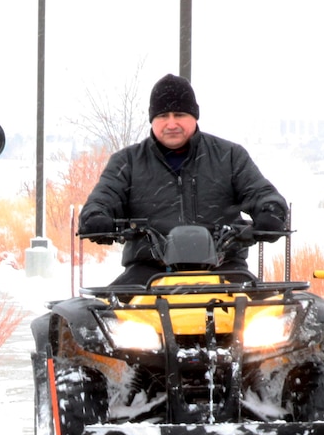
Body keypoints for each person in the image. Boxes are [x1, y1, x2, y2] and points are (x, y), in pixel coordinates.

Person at [76, 73, 288, 285]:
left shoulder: (230, 156)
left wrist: (271, 212)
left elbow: (261, 193)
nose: (171, 124)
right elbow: (103, 198)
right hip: (147, 273)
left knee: (271, 313)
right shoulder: (127, 162)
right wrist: (95, 218)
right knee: (104, 314)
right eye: (163, 116)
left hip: (226, 269)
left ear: (194, 116)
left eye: (179, 115)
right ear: (152, 120)